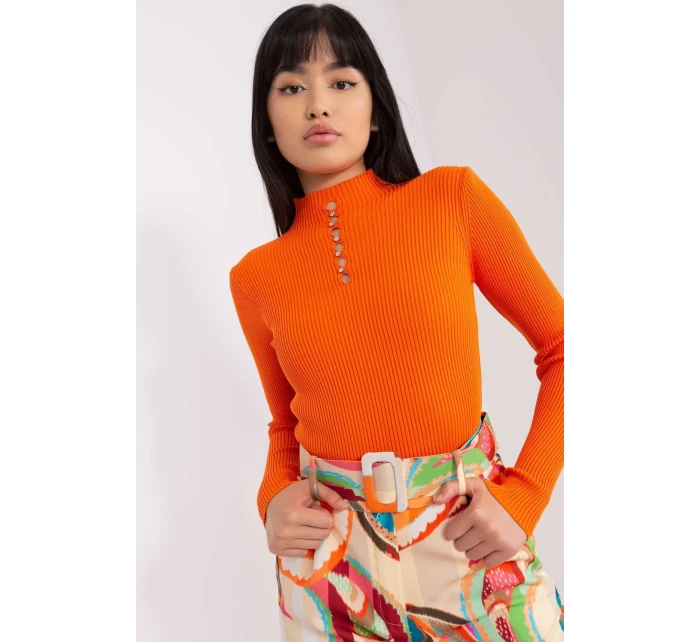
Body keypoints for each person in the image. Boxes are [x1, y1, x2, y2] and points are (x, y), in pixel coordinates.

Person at [229, 4, 564, 641]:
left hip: (468, 538)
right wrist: (272, 497)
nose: (318, 105)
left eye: (342, 81)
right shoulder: (255, 277)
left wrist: (525, 496)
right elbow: (285, 423)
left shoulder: (453, 200)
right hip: (330, 567)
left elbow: (565, 346)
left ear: (376, 107)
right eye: (292, 88)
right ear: (266, 123)